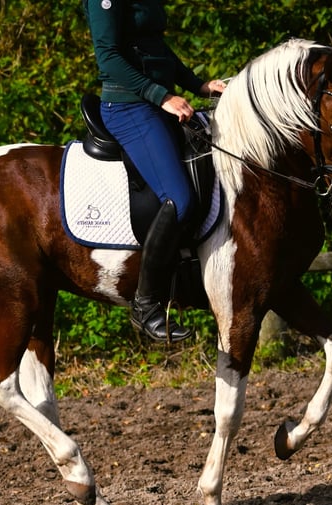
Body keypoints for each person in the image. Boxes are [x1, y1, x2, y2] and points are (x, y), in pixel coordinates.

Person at [83, 0, 226, 343]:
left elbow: (157, 49)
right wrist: (161, 96)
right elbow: (108, 57)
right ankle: (145, 305)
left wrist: (198, 85)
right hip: (129, 107)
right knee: (179, 199)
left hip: (157, 101)